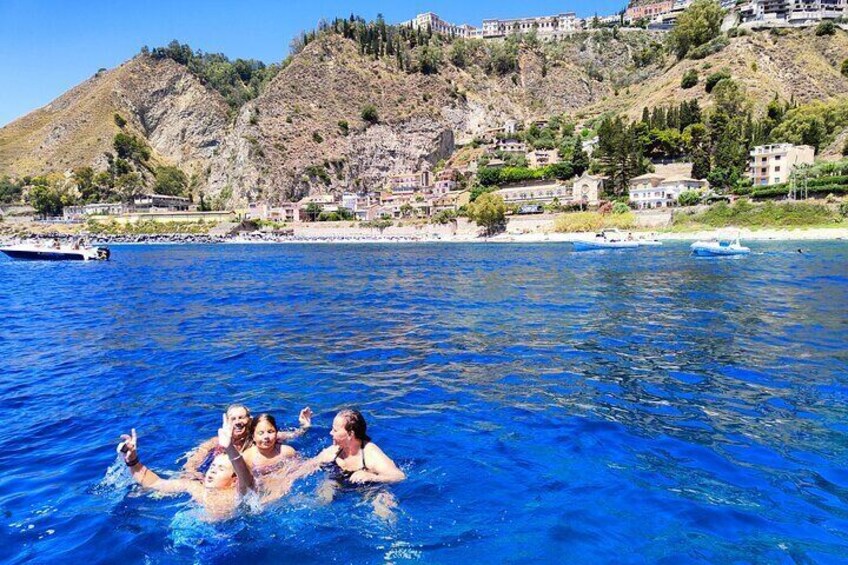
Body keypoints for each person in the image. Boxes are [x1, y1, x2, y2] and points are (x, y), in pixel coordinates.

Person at [117, 415, 254, 521]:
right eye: (213, 466)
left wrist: (229, 447)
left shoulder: (237, 493)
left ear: (234, 479)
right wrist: (132, 460)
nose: (212, 470)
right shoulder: (196, 487)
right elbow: (155, 483)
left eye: (221, 469)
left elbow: (245, 477)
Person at [183, 404, 311, 476]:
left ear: (249, 419)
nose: (238, 422)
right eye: (233, 419)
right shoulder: (217, 441)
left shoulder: (260, 436)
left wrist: (305, 426)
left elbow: (294, 435)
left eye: (241, 418)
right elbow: (193, 461)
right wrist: (194, 474)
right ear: (227, 422)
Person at [314, 409, 405, 484]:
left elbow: (399, 476)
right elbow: (305, 468)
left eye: (335, 430)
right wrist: (303, 429)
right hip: (338, 483)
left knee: (382, 497)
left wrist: (372, 477)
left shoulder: (370, 453)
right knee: (326, 486)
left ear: (350, 434)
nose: (331, 433)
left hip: (371, 488)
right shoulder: (332, 452)